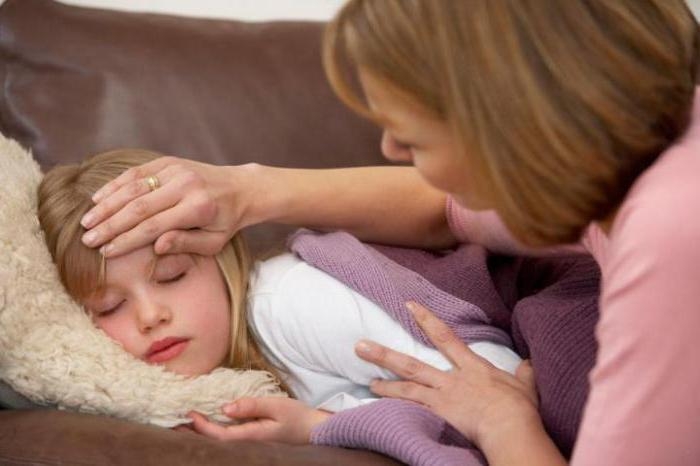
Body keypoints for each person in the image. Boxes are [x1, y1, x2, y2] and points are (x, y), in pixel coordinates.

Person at [76, 1, 700, 465]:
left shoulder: (671, 230)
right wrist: (247, 193)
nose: (390, 150)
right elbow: (447, 212)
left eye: (414, 136)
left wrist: (506, 423)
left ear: (513, 121)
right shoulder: (630, 163)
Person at [38, 149, 524, 449]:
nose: (150, 316)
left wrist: (324, 425)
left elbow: (493, 384)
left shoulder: (289, 301)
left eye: (172, 275)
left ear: (221, 256)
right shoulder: (210, 381)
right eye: (108, 307)